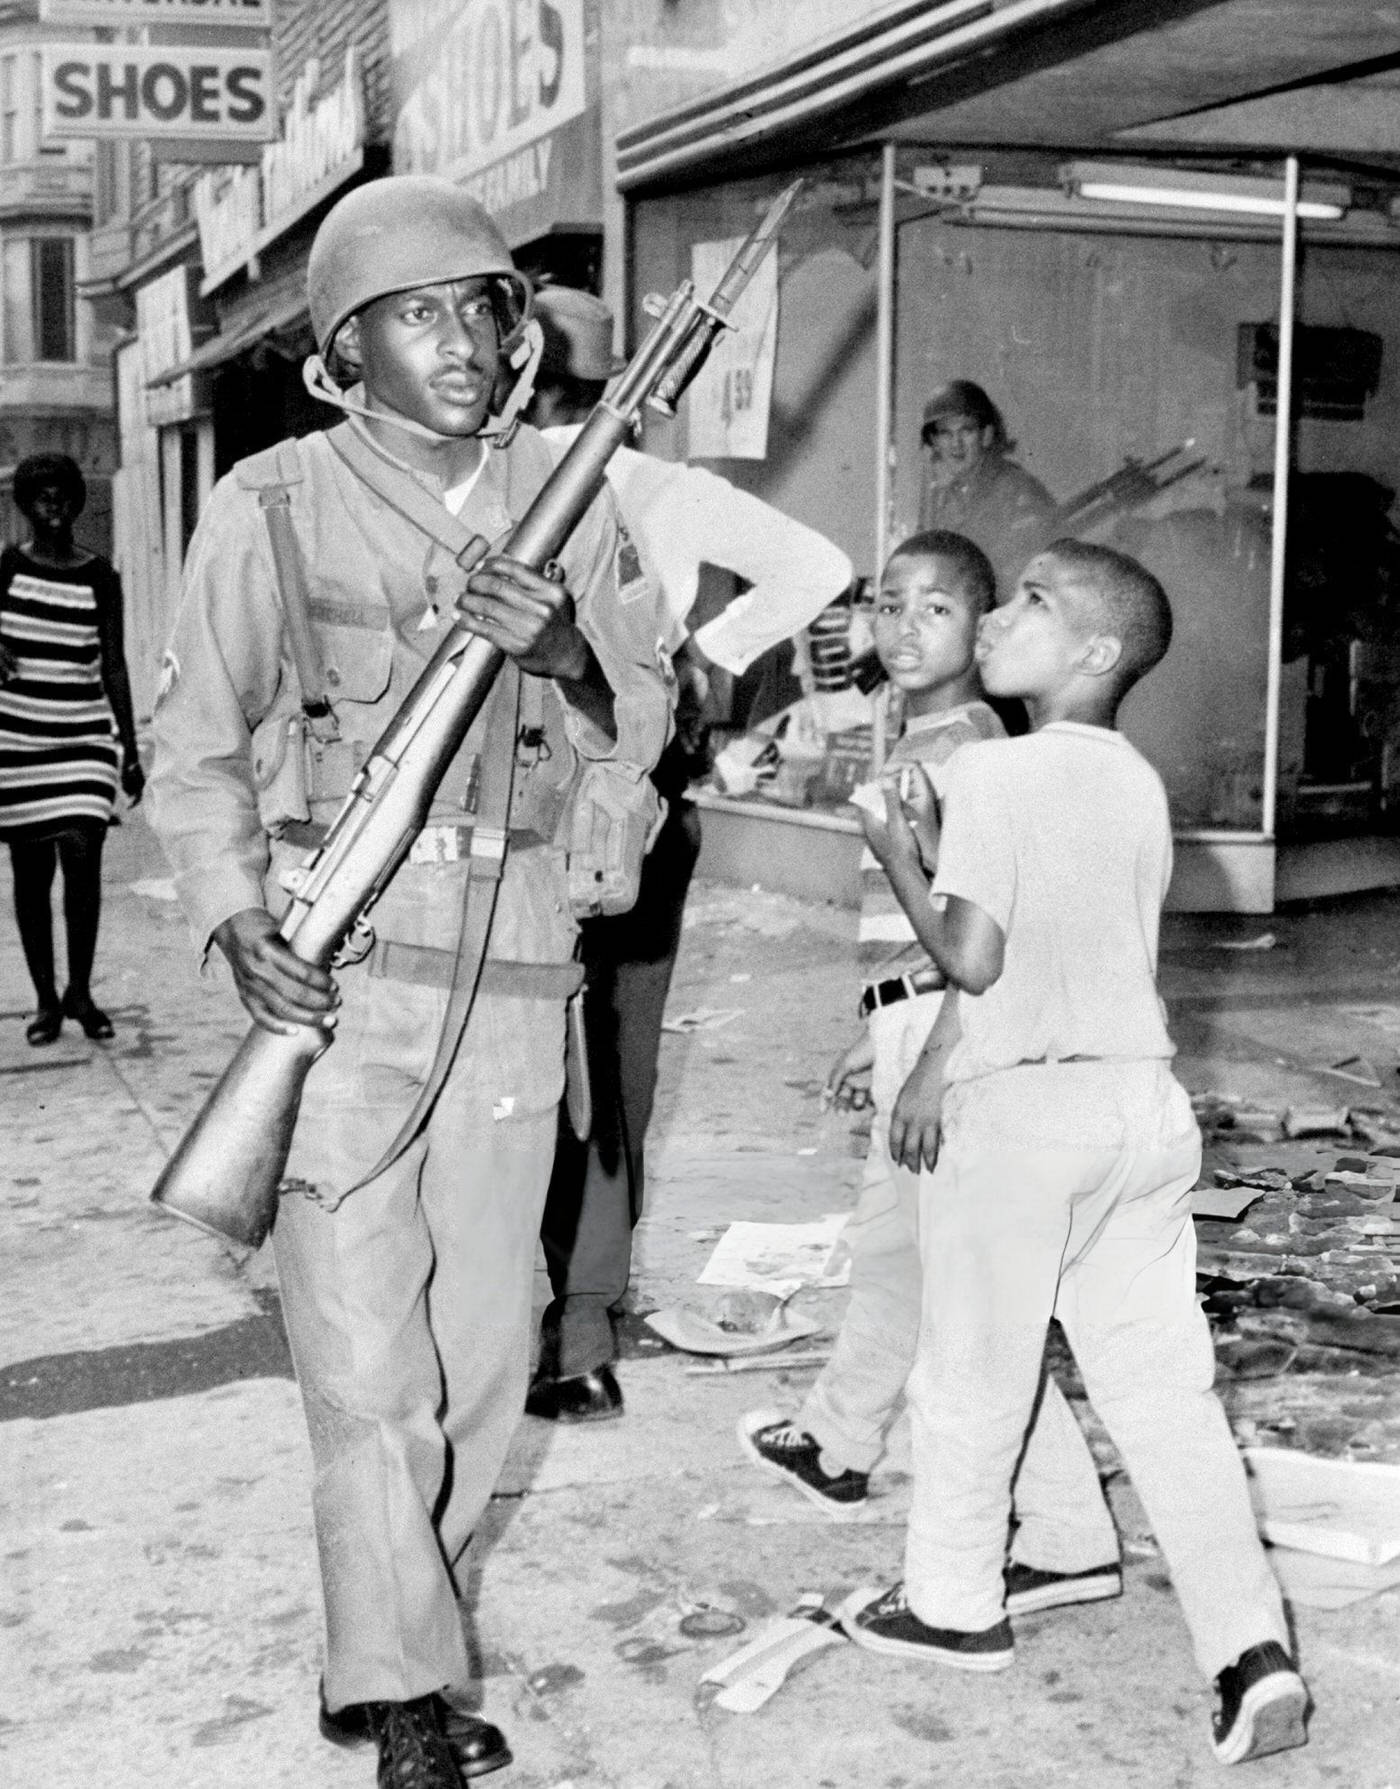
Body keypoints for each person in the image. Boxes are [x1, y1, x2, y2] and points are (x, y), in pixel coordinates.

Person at [149, 180, 670, 1789]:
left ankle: (389, 1632)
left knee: (488, 1352)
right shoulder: (275, 502)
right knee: (369, 1367)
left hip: (517, 982)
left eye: (487, 310)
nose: (463, 343)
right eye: (421, 314)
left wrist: (572, 653)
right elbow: (203, 745)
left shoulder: (575, 501)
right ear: (344, 347)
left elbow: (649, 716)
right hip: (345, 986)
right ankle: (406, 1695)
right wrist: (237, 914)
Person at [838, 541, 1308, 1767]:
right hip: (1141, 1116)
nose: (997, 614)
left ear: (1095, 652)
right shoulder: (1135, 782)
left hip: (1024, 1120)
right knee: (1165, 1397)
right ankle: (1249, 1650)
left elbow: (974, 961)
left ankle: (950, 1607)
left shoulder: (1000, 772)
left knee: (968, 1377)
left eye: (1030, 602)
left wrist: (898, 845)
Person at [521, 283, 854, 1421]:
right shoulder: (663, 485)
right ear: (619, 381)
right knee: (612, 1077)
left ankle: (498, 1314)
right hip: (636, 801)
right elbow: (819, 566)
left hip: (502, 806)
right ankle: (579, 1337)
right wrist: (702, 658)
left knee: (493, 1065)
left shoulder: (469, 483)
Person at [737, 530, 1018, 1508]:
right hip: (914, 1019)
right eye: (889, 603)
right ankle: (837, 1439)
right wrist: (878, 1020)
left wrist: (925, 1051)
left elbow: (977, 919)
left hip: (946, 1033)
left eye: (934, 608)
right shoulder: (928, 738)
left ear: (982, 630)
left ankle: (859, 1447)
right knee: (893, 1248)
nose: (902, 626)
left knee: (914, 1255)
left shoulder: (965, 747)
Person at [0, 452, 144, 1045]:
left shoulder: (98, 575)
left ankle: (80, 991)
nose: (53, 506)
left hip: (83, 737)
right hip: (17, 737)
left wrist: (129, 748)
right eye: (41, 496)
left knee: (83, 858)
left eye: (63, 495)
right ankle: (44, 1002)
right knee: (31, 875)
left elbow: (113, 662)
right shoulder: (6, 568)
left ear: (77, 502)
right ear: (26, 506)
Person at [918, 380, 1056, 599]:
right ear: (934, 441)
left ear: (987, 435)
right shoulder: (942, 497)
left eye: (967, 431)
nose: (956, 445)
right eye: (946, 434)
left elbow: (1030, 576)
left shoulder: (1017, 490)